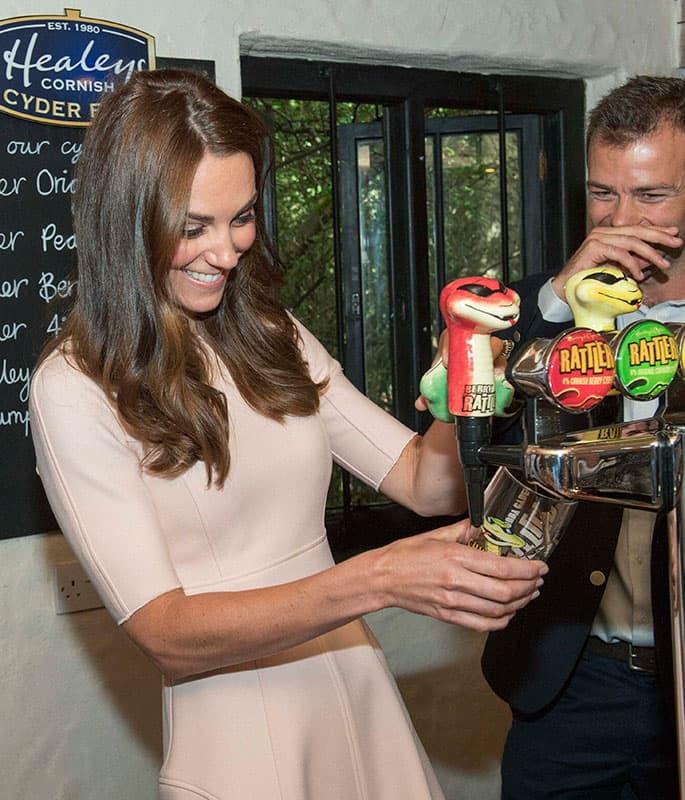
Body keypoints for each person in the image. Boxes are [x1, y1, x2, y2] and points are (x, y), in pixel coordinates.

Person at [28, 69, 546, 800]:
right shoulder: (74, 387)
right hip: (242, 744)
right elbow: (164, 631)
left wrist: (462, 382)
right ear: (126, 221)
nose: (227, 251)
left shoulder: (269, 332)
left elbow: (425, 485)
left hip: (358, 696)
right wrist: (376, 577)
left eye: (240, 217)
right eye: (192, 227)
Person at [480, 75, 685, 799]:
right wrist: (555, 303)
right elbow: (476, 454)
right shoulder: (544, 305)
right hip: (572, 680)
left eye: (650, 195)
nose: (619, 220)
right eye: (603, 194)